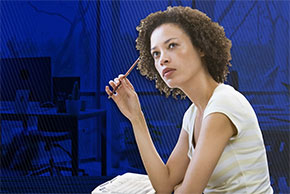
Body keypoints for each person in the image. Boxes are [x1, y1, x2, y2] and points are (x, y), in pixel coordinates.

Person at [105, 6, 273, 194]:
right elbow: (165, 184)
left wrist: (179, 189)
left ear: (200, 47)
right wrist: (136, 117)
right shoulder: (193, 114)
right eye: (156, 53)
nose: (162, 60)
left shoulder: (223, 104)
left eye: (172, 46)